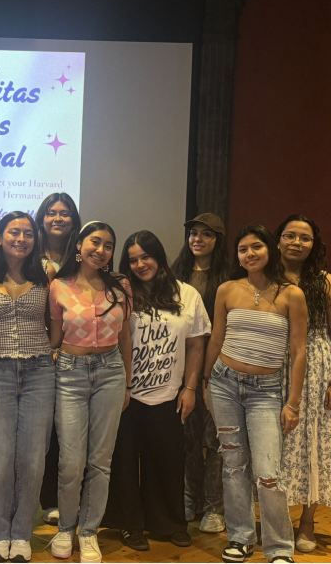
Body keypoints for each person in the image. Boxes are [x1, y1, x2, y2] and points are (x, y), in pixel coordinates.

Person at [203, 224, 307, 564]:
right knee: (233, 464)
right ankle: (241, 538)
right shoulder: (227, 289)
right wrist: (205, 381)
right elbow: (216, 339)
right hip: (224, 385)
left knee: (268, 473)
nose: (250, 254)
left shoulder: (291, 294)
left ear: (270, 249)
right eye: (243, 249)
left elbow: (299, 351)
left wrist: (293, 403)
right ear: (237, 256)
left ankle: (279, 548)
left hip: (266, 393)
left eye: (256, 247)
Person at [104, 231, 211, 551]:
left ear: (159, 256)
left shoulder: (187, 294)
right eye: (133, 260)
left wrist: (190, 387)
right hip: (125, 393)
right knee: (123, 461)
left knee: (167, 460)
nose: (140, 264)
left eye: (146, 257)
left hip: (169, 394)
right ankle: (129, 524)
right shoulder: (121, 294)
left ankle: (168, 523)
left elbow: (196, 345)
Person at [0, 212, 55, 563]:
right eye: (13, 232)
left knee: (33, 459)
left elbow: (55, 321)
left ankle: (21, 533)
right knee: (1, 459)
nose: (21, 239)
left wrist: (52, 352)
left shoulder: (47, 272)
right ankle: (0, 532)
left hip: (39, 372)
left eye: (28, 233)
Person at [48, 222, 132, 564]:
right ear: (79, 245)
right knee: (71, 461)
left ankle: (88, 531)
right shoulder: (58, 286)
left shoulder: (121, 286)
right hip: (69, 373)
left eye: (109, 245)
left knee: (100, 461)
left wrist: (128, 382)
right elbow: (55, 338)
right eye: (95, 242)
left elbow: (125, 336)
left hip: (111, 372)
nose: (101, 250)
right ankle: (65, 528)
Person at [276, 215, 331, 553]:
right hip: (274, 366)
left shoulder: (326, 282)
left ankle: (307, 521)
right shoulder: (265, 278)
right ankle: (276, 520)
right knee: (275, 444)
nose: (296, 242)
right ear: (277, 240)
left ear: (314, 244)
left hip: (318, 369)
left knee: (316, 442)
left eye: (304, 238)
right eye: (289, 235)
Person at [171, 213, 230, 534]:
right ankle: (189, 498)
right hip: (181, 368)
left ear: (218, 240)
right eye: (194, 233)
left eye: (206, 234)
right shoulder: (176, 273)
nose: (198, 239)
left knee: (216, 439)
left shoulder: (230, 277)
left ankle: (214, 506)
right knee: (188, 438)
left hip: (220, 369)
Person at [35, 193, 81, 526]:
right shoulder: (28, 253)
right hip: (36, 347)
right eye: (51, 213)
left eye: (64, 213)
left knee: (68, 430)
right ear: (42, 218)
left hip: (75, 351)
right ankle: (46, 498)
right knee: (45, 430)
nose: (57, 218)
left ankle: (70, 498)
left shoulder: (83, 254)